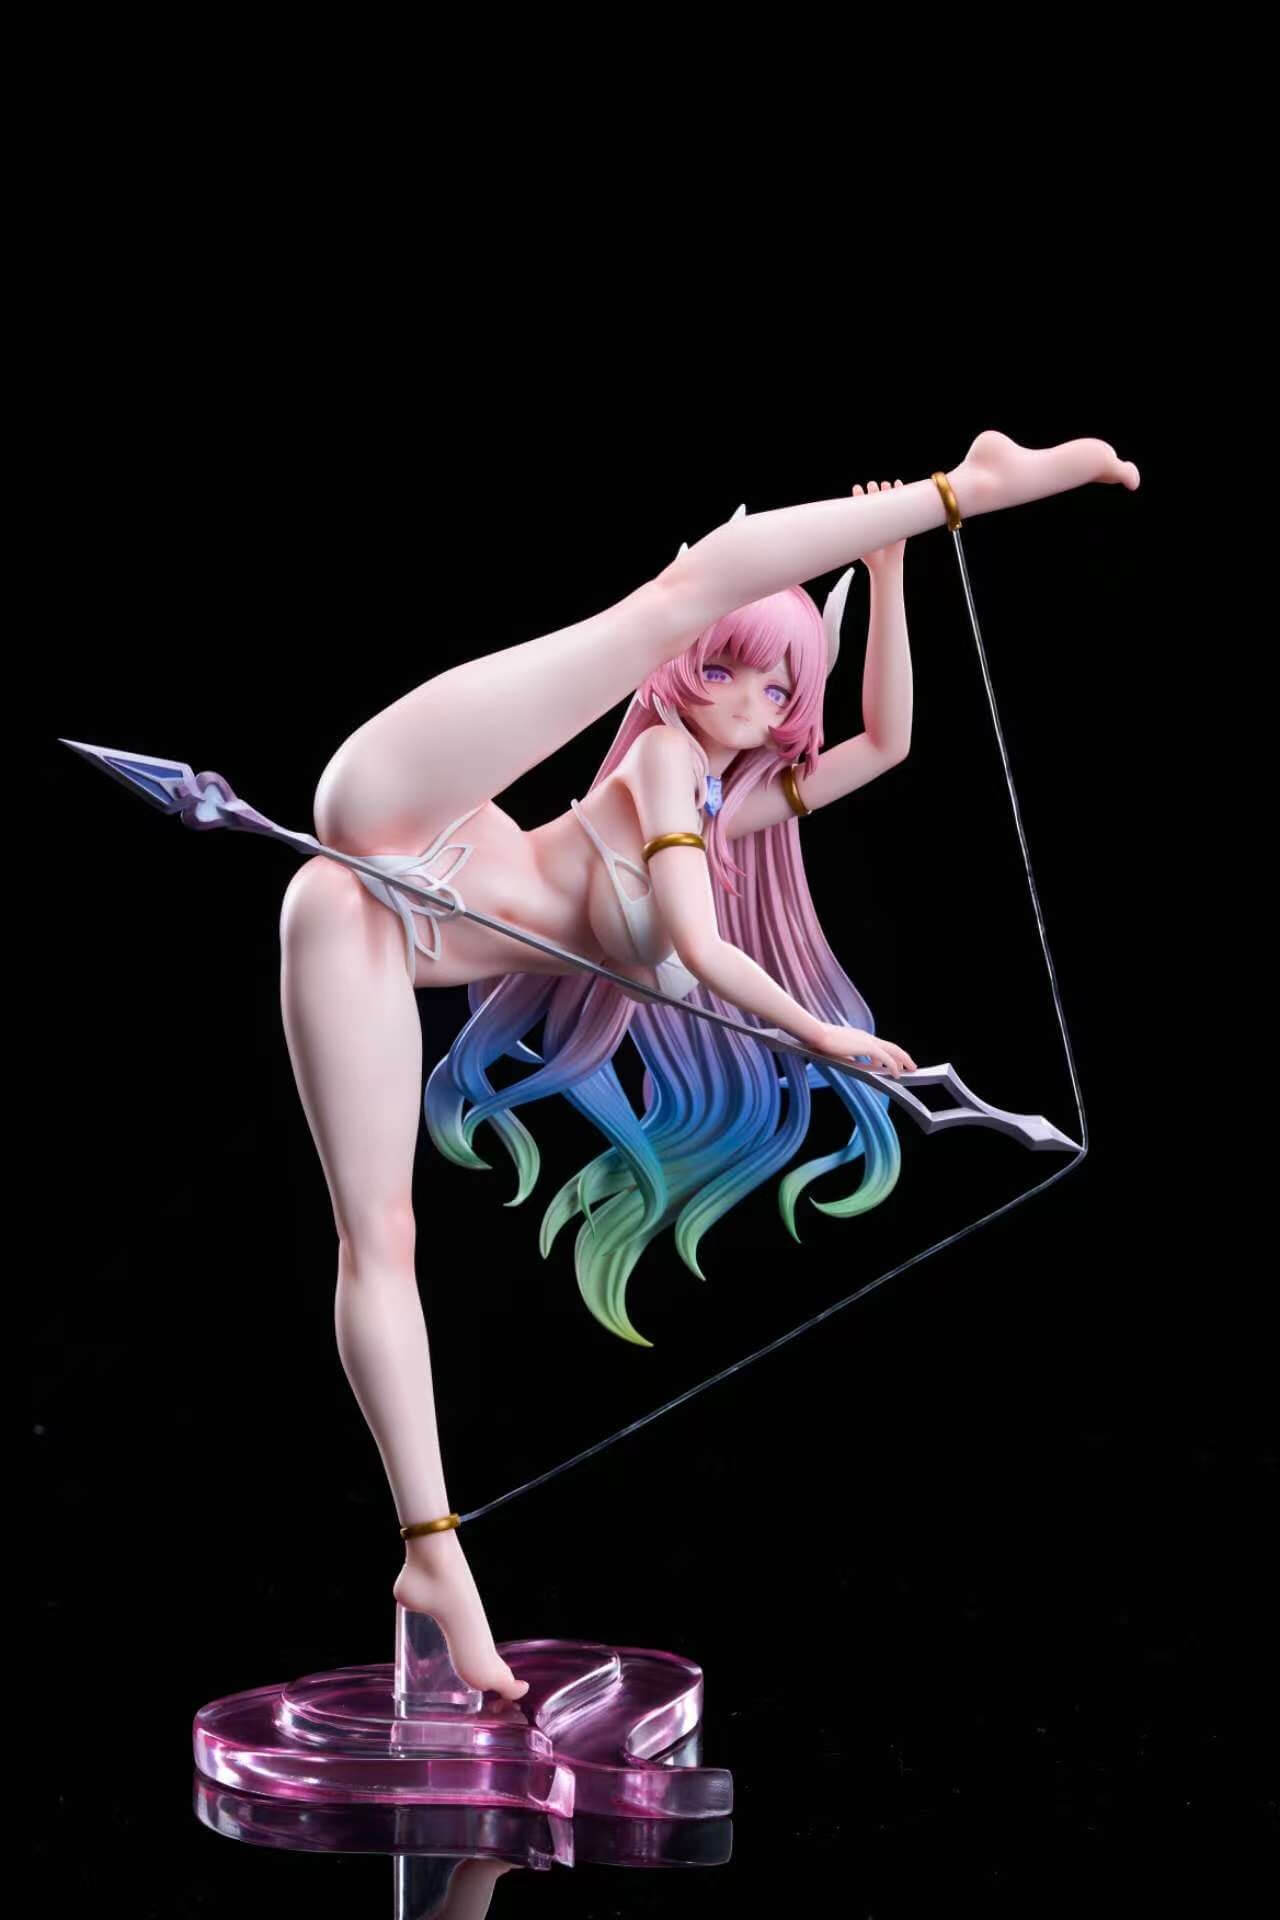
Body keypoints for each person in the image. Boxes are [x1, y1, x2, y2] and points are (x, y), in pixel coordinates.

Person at [278, 431, 1140, 1699]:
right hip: (399, 813)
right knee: (661, 599)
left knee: (380, 1241)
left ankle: (430, 1554)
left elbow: (885, 746)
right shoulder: (662, 761)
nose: (742, 700)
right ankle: (970, 485)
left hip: (361, 927)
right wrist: (820, 1033)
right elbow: (690, 940)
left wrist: (889, 575)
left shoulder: (722, 806)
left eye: (773, 687)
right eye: (724, 668)